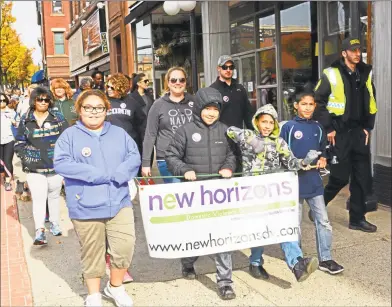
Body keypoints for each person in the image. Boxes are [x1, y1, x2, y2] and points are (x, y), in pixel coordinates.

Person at [54, 90, 140, 307]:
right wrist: (94, 174)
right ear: (79, 110)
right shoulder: (69, 136)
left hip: (119, 202)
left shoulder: (119, 133)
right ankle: (93, 294)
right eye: (88, 108)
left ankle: (115, 287)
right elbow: (62, 163)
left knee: (124, 247)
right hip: (86, 205)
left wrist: (121, 175)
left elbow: (133, 156)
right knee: (93, 252)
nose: (94, 112)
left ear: (106, 109)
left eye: (99, 108)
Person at [227, 104, 320, 282]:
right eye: (264, 122)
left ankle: (297, 264)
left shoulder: (279, 142)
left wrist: (304, 161)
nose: (267, 126)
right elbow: (230, 130)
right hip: (252, 194)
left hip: (273, 194)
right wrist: (250, 140)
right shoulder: (248, 136)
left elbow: (291, 163)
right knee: (258, 230)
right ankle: (255, 262)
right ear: (257, 121)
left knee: (283, 226)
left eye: (271, 122)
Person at [166, 87, 237, 300]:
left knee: (222, 237)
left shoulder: (225, 130)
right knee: (196, 236)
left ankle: (225, 282)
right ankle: (187, 262)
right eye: (207, 108)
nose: (211, 113)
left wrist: (229, 167)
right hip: (195, 194)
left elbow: (232, 155)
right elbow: (171, 156)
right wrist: (184, 170)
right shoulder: (185, 131)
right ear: (198, 108)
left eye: (215, 109)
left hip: (218, 193)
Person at [313, 37, 378, 232]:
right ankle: (318, 208)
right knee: (339, 177)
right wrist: (329, 128)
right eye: (353, 50)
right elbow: (318, 101)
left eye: (359, 50)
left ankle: (357, 219)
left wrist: (368, 127)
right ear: (344, 53)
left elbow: (371, 100)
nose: (357, 53)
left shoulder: (365, 73)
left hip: (359, 133)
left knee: (361, 178)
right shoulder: (331, 74)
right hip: (339, 132)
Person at [280, 92, 344, 275]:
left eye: (311, 104)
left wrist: (324, 158)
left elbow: (323, 149)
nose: (307, 107)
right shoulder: (289, 127)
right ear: (296, 106)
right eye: (304, 104)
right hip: (294, 183)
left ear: (315, 106)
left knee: (323, 221)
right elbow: (282, 154)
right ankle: (298, 259)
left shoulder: (318, 127)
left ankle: (326, 258)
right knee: (295, 223)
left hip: (314, 183)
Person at [14, 87, 69, 245]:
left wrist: (63, 158)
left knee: (53, 196)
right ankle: (39, 231)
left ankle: (54, 223)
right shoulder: (25, 120)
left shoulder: (57, 117)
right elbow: (19, 142)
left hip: (55, 166)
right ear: (34, 100)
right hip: (34, 168)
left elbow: (66, 139)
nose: (43, 102)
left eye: (46, 99)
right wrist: (26, 158)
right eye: (40, 99)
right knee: (39, 199)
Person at [141, 67, 195, 183]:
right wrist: (146, 163)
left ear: (186, 82)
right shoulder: (158, 105)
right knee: (177, 196)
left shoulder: (194, 102)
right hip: (167, 159)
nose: (178, 83)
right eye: (174, 80)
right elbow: (150, 134)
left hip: (192, 157)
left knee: (193, 197)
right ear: (168, 83)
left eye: (181, 80)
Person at [210, 55, 255, 173]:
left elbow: (248, 113)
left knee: (240, 171)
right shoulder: (212, 90)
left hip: (239, 139)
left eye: (231, 67)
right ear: (218, 69)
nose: (228, 70)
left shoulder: (240, 89)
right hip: (220, 140)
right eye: (225, 67)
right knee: (223, 173)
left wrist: (255, 134)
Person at [0, 93, 17, 191]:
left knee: (7, 161)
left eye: (3, 100)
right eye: (0, 100)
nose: (2, 102)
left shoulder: (11, 112)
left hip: (9, 140)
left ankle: (7, 182)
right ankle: (4, 174)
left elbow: (17, 124)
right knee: (1, 165)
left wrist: (14, 122)